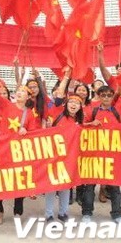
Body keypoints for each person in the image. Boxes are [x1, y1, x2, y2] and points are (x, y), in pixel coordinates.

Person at [0, 71, 40, 224]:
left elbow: (33, 133)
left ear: (28, 97)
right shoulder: (6, 105)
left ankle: (18, 211)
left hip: (18, 152)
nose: (19, 93)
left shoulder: (30, 114)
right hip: (2, 149)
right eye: (18, 91)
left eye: (23, 92)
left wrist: (27, 132)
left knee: (19, 180)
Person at [81, 85, 121, 223]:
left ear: (113, 97)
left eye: (109, 95)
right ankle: (87, 213)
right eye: (103, 95)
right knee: (89, 187)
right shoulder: (91, 111)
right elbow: (80, 127)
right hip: (93, 156)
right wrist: (90, 124)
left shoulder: (118, 112)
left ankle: (117, 214)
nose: (106, 98)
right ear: (98, 96)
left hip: (112, 157)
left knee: (115, 187)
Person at [44, 94, 84, 222]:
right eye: (71, 102)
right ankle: (49, 214)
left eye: (76, 103)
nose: (73, 105)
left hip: (70, 158)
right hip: (55, 156)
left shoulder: (81, 120)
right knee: (51, 186)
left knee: (66, 187)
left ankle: (63, 212)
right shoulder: (58, 114)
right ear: (66, 104)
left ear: (80, 107)